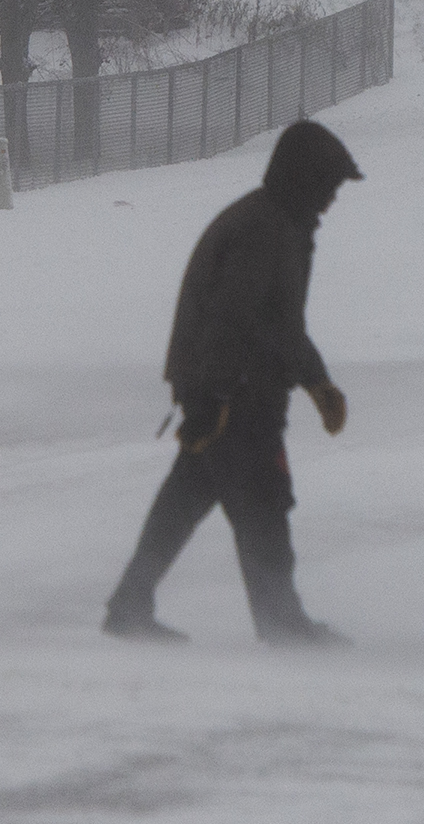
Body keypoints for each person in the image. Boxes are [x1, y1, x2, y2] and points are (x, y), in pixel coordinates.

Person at [101, 118, 359, 646]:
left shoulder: (282, 224)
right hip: (237, 393)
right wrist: (213, 397)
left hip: (228, 386)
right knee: (264, 502)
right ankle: (281, 622)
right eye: (328, 187)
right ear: (303, 180)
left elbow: (281, 323)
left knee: (184, 500)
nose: (332, 200)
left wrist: (318, 384)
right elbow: (232, 317)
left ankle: (129, 605)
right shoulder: (264, 230)